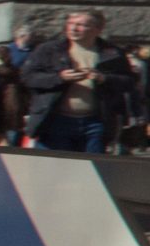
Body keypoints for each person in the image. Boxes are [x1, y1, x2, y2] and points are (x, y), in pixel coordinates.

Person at [21, 10, 139, 153]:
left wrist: (103, 78)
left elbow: (129, 82)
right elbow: (28, 77)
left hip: (96, 122)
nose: (73, 28)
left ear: (97, 29)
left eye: (80, 25)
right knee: (60, 168)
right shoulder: (49, 50)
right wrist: (60, 78)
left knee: (93, 168)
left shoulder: (112, 53)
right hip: (56, 121)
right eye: (70, 23)